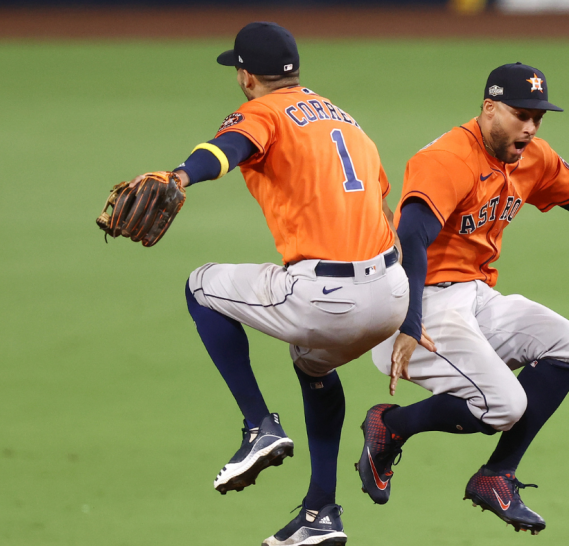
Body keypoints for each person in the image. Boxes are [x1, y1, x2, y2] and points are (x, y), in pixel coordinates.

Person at [356, 62, 569, 535]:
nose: (531, 127)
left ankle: (496, 474)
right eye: (521, 114)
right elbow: (412, 236)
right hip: (417, 301)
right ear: (489, 108)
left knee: (568, 344)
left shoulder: (532, 156)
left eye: (537, 116)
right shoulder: (448, 158)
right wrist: (410, 322)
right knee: (504, 407)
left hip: (473, 294)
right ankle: (391, 426)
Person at [133, 22, 407, 546]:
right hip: (391, 294)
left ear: (244, 76)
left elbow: (226, 148)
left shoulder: (262, 111)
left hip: (326, 296)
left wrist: (179, 176)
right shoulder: (345, 120)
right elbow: (383, 207)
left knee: (201, 286)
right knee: (313, 364)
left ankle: (259, 424)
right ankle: (320, 511)